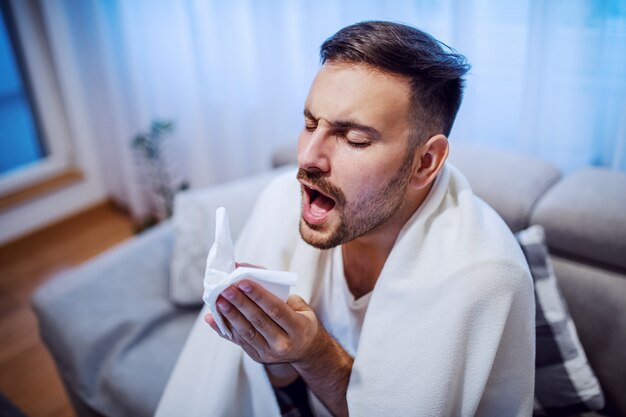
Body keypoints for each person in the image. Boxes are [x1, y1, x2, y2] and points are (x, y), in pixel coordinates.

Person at [156, 21, 535, 417]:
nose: (307, 158)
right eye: (309, 124)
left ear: (425, 162)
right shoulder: (282, 202)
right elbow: (251, 384)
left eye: (353, 139)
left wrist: (316, 354)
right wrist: (278, 359)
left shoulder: (484, 278)